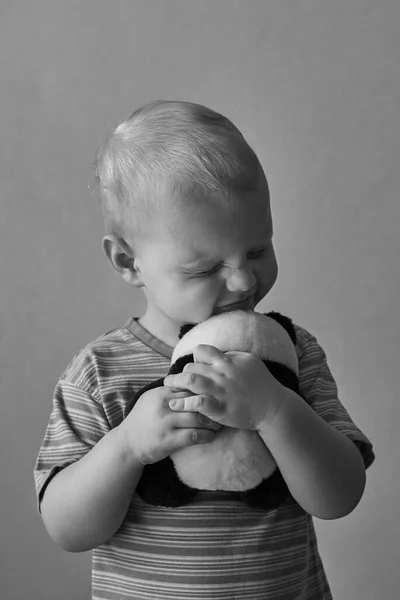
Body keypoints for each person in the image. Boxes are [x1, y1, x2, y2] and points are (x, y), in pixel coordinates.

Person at [34, 100, 375, 600]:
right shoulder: (99, 373)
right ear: (129, 262)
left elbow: (341, 495)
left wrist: (276, 410)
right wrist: (128, 445)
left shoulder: (288, 352)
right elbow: (67, 529)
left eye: (258, 251)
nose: (242, 279)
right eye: (203, 269)